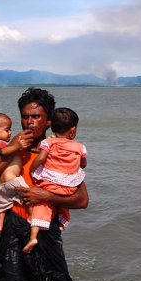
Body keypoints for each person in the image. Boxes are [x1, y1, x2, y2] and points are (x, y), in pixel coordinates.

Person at [0, 87, 89, 281]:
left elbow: (82, 200)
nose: (30, 121)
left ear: (49, 121)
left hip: (44, 230)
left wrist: (46, 196)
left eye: (36, 117)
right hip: (14, 230)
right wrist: (14, 147)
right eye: (26, 116)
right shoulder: (9, 146)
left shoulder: (60, 150)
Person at [24, 107, 88, 253]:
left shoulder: (49, 143)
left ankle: (33, 236)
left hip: (50, 182)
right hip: (69, 184)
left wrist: (32, 169)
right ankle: (61, 223)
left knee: (42, 204)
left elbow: (41, 158)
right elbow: (83, 164)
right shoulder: (79, 147)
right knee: (63, 199)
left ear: (51, 126)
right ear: (72, 131)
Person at [0, 112, 29, 234]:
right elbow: (3, 152)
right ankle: (32, 216)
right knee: (30, 196)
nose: (10, 132)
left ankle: (0, 225)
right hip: (12, 179)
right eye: (7, 129)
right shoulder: (0, 144)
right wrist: (17, 145)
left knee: (2, 205)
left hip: (3, 184)